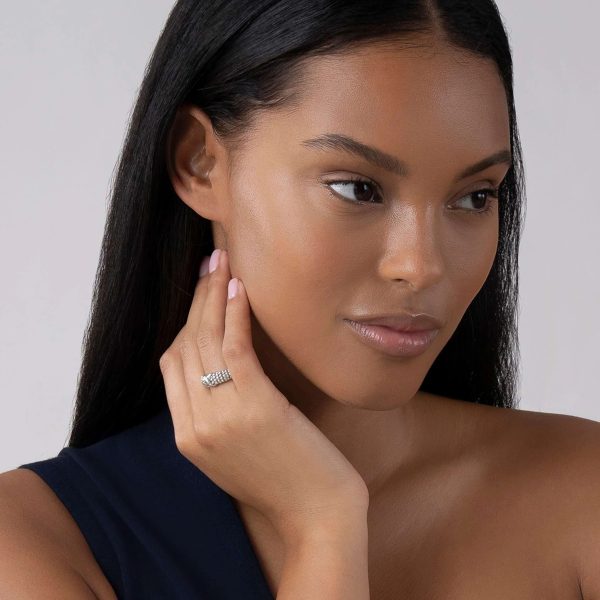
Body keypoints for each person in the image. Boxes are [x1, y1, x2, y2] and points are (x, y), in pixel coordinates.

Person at [2, 0, 599, 598]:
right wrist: (321, 526)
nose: (421, 266)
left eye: (475, 197)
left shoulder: (583, 495)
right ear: (201, 162)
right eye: (358, 188)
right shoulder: (33, 545)